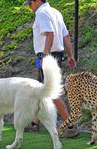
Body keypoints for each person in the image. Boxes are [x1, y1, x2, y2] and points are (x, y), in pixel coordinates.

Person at [24, 0, 79, 138]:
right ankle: (34, 123)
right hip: (56, 55)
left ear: (37, 1)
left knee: (52, 92)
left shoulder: (41, 13)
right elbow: (65, 36)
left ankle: (70, 126)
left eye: (30, 3)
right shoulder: (56, 12)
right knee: (39, 90)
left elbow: (50, 34)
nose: (30, 7)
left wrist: (45, 56)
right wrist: (71, 55)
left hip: (47, 56)